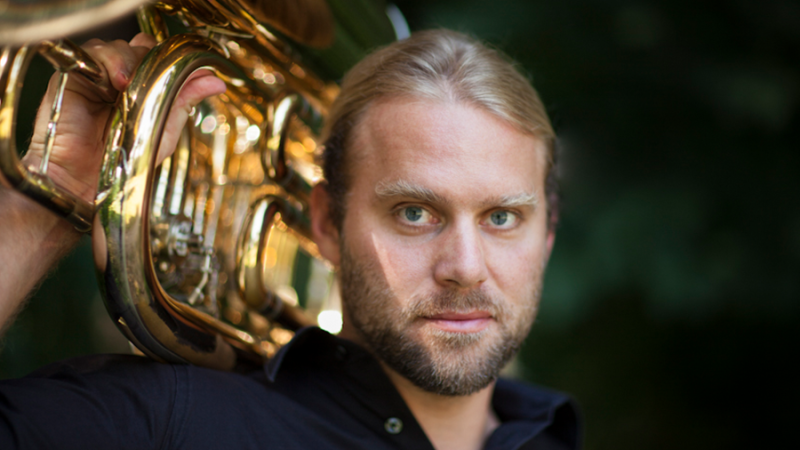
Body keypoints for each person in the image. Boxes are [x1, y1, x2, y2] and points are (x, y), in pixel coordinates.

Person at [0, 29, 579, 450]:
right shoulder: (172, 423)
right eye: (413, 211)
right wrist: (46, 199)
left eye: (502, 218)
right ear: (325, 223)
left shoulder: (553, 436)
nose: (465, 267)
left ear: (547, 235)